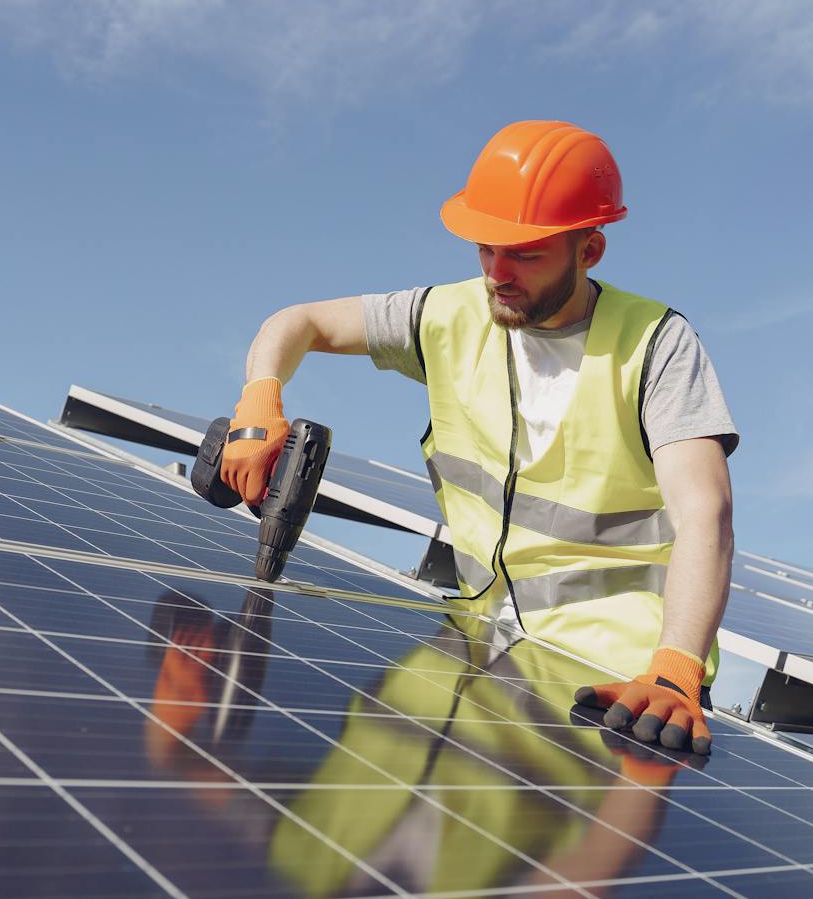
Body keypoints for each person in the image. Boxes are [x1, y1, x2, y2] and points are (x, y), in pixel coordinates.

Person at [218, 120, 737, 755]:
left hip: (622, 683)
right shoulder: (448, 315)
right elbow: (297, 321)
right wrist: (259, 398)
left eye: (525, 253)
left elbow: (704, 512)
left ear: (590, 251)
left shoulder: (657, 343)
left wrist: (675, 667)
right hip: (485, 648)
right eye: (486, 248)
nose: (498, 273)